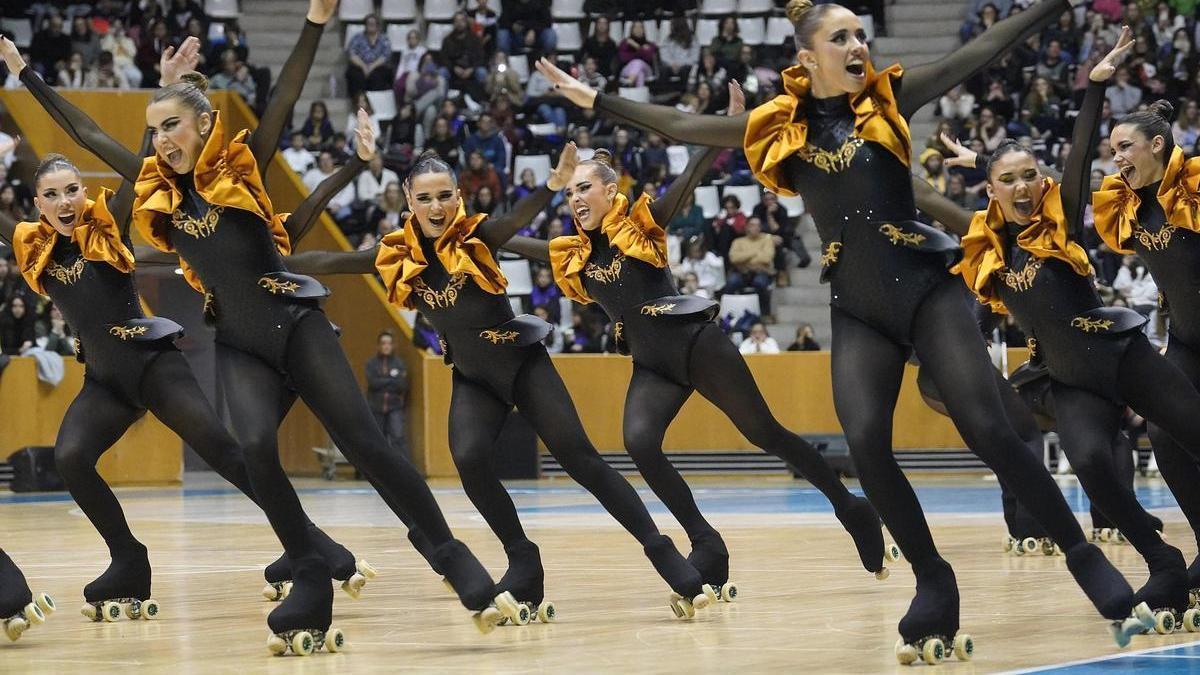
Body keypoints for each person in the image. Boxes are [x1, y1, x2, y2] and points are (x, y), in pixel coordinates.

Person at [531, 0, 1153, 654]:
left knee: (989, 428)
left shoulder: (892, 96)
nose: (858, 44)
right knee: (865, 444)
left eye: (861, 33)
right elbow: (686, 125)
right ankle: (933, 582)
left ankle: (1086, 559)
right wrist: (594, 98)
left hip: (926, 289)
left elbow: (982, 50)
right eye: (841, 37)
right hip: (856, 307)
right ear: (808, 57)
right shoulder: (779, 126)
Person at [3, 0, 519, 648]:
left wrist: (314, 21)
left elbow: (288, 92)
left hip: (296, 326)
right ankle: (310, 576)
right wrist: (26, 76)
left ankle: (450, 555)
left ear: (205, 126)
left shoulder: (240, 170)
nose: (163, 137)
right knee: (254, 453)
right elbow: (87, 135)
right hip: (238, 343)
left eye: (175, 125)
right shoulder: (155, 188)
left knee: (367, 444)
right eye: (156, 127)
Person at [0, 38, 378, 628]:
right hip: (103, 380)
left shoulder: (111, 222)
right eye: (51, 194)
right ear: (38, 204)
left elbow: (96, 136)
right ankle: (128, 561)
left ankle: (316, 546)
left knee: (228, 453)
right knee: (72, 457)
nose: (65, 200)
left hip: (152, 364)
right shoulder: (33, 249)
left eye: (73, 189)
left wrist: (28, 76)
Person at [286, 144, 718, 621]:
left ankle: (662, 552)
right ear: (408, 199)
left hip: (522, 365)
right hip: (473, 378)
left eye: (446, 196)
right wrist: (263, 262)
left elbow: (514, 221)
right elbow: (329, 261)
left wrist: (547, 188)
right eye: (425, 198)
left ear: (458, 197)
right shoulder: (393, 254)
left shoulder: (478, 235)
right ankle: (523, 560)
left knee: (582, 461)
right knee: (469, 458)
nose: (436, 207)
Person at [503, 82, 895, 604]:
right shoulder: (569, 252)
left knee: (766, 433)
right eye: (570, 192)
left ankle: (850, 507)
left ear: (609, 192)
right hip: (651, 364)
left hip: (695, 343)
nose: (575, 199)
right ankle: (706, 545)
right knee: (639, 442)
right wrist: (457, 232)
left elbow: (688, 179)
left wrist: (723, 131)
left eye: (584, 189)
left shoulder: (639, 225)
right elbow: (505, 238)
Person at [918, 26, 1200, 638]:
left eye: (1031, 176)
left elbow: (1076, 157)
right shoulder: (985, 241)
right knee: (1092, 465)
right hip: (1066, 378)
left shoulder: (1062, 219)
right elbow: (919, 194)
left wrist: (1094, 89)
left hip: (1120, 354)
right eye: (1009, 179)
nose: (1024, 186)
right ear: (991, 191)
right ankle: (1165, 563)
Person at [1089, 62, 1200, 615]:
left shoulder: (1198, 183)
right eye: (1112, 150)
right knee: (1163, 431)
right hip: (1184, 338)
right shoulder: (1129, 205)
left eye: (1125, 147)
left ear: (1158, 145)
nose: (1117, 158)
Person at [365, 330, 409, 463]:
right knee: (377, 440)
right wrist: (391, 378)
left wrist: (383, 380)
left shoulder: (399, 363)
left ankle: (406, 470)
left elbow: (401, 385)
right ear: (379, 345)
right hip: (375, 407)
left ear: (392, 346)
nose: (386, 346)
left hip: (394, 407)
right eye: (383, 343)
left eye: (389, 343)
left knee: (398, 438)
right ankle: (377, 471)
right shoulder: (371, 363)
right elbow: (373, 383)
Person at [724, 216, 775, 319]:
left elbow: (766, 258)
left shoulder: (767, 239)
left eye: (758, 225)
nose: (756, 228)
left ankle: (765, 314)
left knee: (760, 283)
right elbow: (734, 258)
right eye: (752, 225)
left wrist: (744, 259)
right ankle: (727, 314)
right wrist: (756, 252)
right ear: (746, 227)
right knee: (731, 282)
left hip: (761, 272)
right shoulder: (738, 241)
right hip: (741, 272)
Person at [0, 549, 54, 642]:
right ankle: (20, 614)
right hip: (22, 597)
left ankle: (19, 614)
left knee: (13, 600)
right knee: (16, 598)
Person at [344, 14, 392, 99]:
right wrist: (364, 67)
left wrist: (371, 67)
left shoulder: (384, 39)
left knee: (379, 76)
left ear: (377, 26)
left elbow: (386, 55)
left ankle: (375, 102)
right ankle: (358, 102)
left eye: (373, 24)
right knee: (355, 75)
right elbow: (352, 54)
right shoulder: (357, 37)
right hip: (360, 66)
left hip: (378, 67)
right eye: (369, 23)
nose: (371, 26)